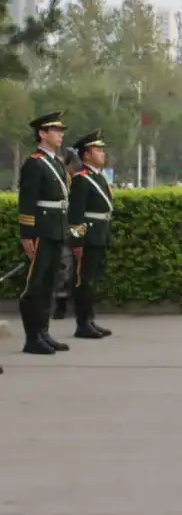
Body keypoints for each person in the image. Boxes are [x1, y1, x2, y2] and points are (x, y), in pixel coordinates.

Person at [17, 110, 72, 355]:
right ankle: (32, 338)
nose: (60, 135)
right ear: (42, 133)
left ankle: (43, 332)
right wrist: (27, 234)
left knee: (49, 283)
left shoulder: (56, 162)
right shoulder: (34, 163)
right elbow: (27, 200)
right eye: (55, 130)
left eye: (61, 131)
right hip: (41, 230)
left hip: (55, 229)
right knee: (35, 284)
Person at [67, 129, 114, 339]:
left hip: (99, 234)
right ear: (86, 155)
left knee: (92, 280)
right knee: (83, 281)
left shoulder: (97, 177)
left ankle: (90, 320)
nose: (102, 154)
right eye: (98, 150)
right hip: (87, 237)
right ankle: (82, 323)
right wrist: (77, 241)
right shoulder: (81, 179)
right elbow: (76, 215)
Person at [51, 147, 82, 321]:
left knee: (77, 265)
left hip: (74, 226)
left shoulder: (76, 180)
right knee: (63, 266)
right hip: (62, 227)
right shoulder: (61, 179)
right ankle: (60, 305)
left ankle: (74, 303)